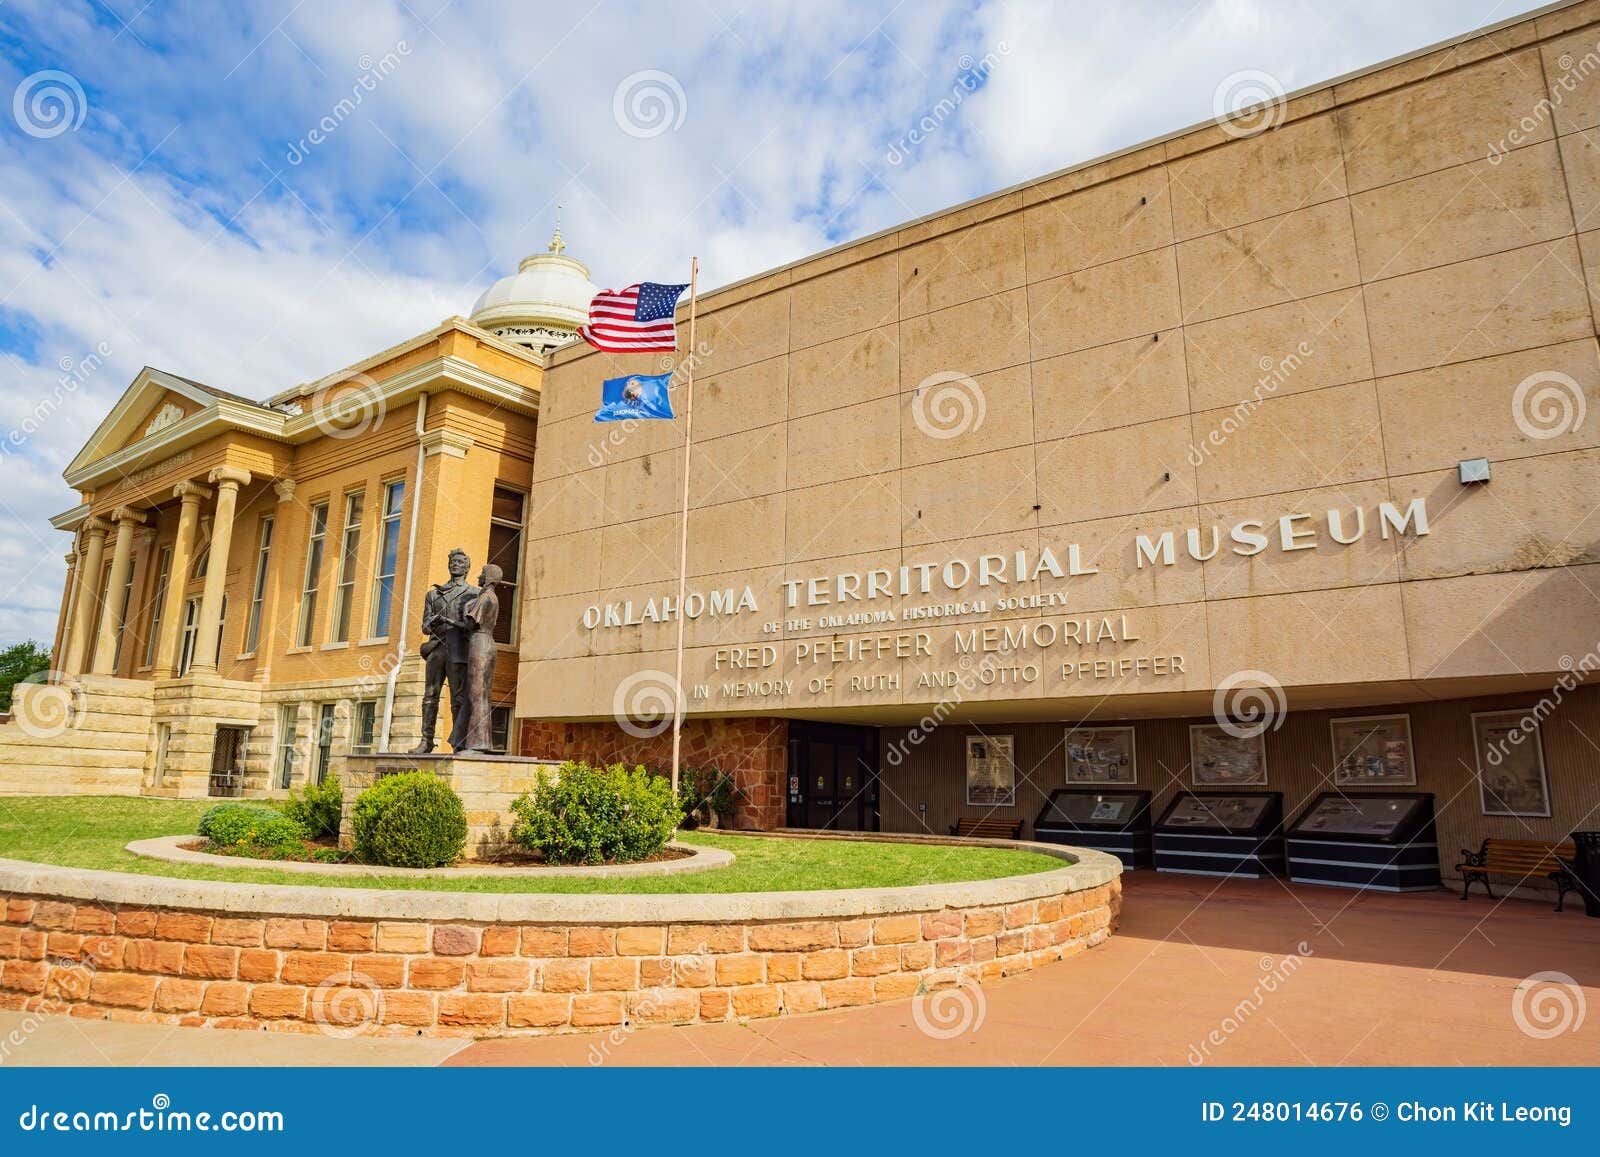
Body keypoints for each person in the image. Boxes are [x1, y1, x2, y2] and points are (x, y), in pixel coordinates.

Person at [409, 548, 478, 754]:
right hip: (437, 649)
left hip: (459, 650)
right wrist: (433, 621)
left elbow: (473, 626)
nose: (455, 565)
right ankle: (426, 740)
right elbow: (424, 628)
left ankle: (459, 742)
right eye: (453, 562)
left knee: (458, 698)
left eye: (460, 562)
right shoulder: (433, 595)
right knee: (430, 695)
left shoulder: (473, 593)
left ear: (467, 568)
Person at [458, 563, 502, 753]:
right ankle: (480, 742)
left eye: (482, 574)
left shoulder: (485, 597)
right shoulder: (492, 597)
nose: (478, 577)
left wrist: (462, 610)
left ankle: (477, 744)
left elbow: (469, 624)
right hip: (487, 643)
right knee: (481, 694)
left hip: (480, 643)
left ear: (489, 577)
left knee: (476, 693)